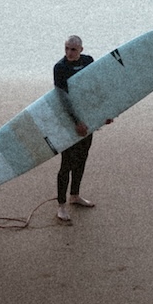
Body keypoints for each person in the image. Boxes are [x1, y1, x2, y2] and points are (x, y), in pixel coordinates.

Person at [52, 32, 97, 219]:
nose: (69, 53)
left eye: (73, 49)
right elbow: (62, 98)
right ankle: (61, 206)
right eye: (66, 49)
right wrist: (76, 121)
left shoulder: (88, 61)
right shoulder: (60, 67)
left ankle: (75, 195)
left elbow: (95, 88)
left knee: (81, 159)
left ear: (81, 50)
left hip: (87, 120)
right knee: (66, 164)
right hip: (69, 121)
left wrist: (105, 115)